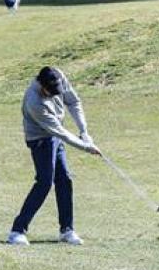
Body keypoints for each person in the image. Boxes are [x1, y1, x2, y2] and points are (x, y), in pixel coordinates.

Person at [8, 67, 102, 246]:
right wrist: (86, 147)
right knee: (44, 182)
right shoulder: (34, 102)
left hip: (56, 136)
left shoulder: (58, 77)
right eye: (50, 93)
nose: (53, 95)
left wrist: (84, 131)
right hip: (40, 139)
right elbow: (60, 133)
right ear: (42, 86)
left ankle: (67, 230)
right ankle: (17, 231)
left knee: (64, 179)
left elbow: (73, 102)